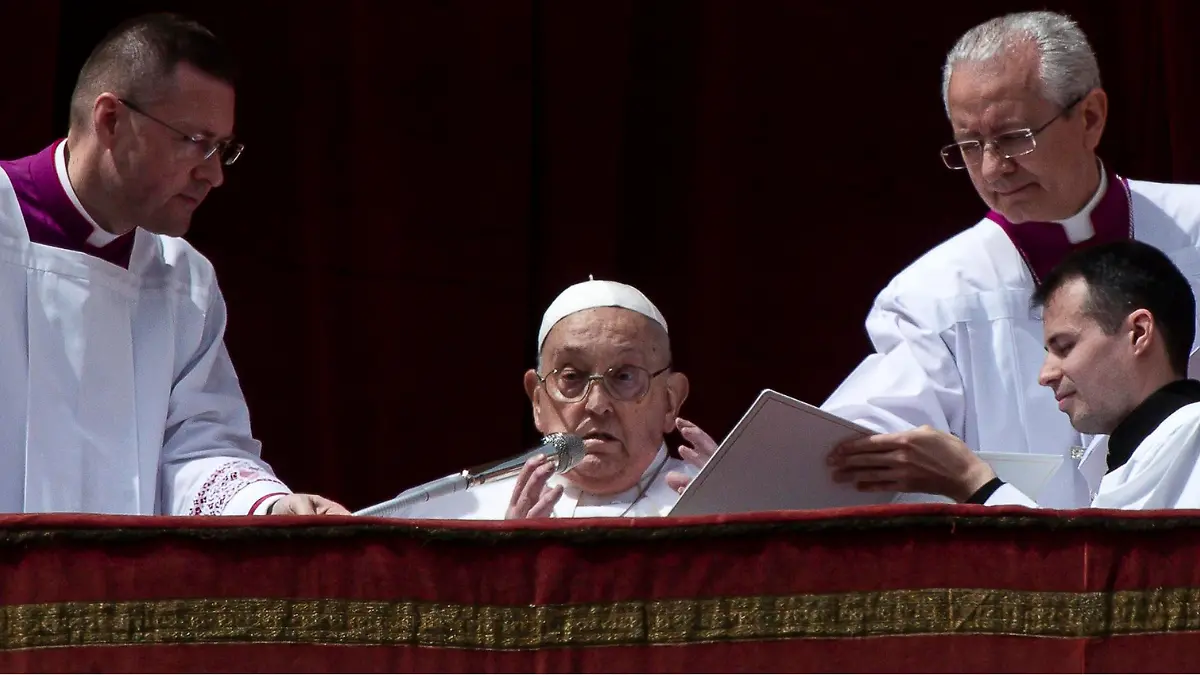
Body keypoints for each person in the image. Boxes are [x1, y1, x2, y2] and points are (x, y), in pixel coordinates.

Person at [822, 10, 1200, 507]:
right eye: (969, 145)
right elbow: (863, 443)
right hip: (1022, 557)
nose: (991, 169)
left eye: (1012, 138)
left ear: (1090, 117)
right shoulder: (933, 294)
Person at [0, 13, 347, 515]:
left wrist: (267, 507)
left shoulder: (183, 279)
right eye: (195, 142)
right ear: (111, 120)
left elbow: (198, 446)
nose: (214, 175)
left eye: (222, 149)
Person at [830, 240, 1200, 510]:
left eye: (1065, 346)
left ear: (1138, 333)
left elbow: (1094, 583)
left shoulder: (1192, 434)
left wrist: (975, 483)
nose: (1046, 375)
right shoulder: (1137, 453)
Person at [402, 278, 715, 519]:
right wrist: (500, 560)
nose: (596, 405)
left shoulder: (723, 506)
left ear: (670, 401)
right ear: (537, 400)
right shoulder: (448, 516)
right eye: (572, 377)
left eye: (624, 377)